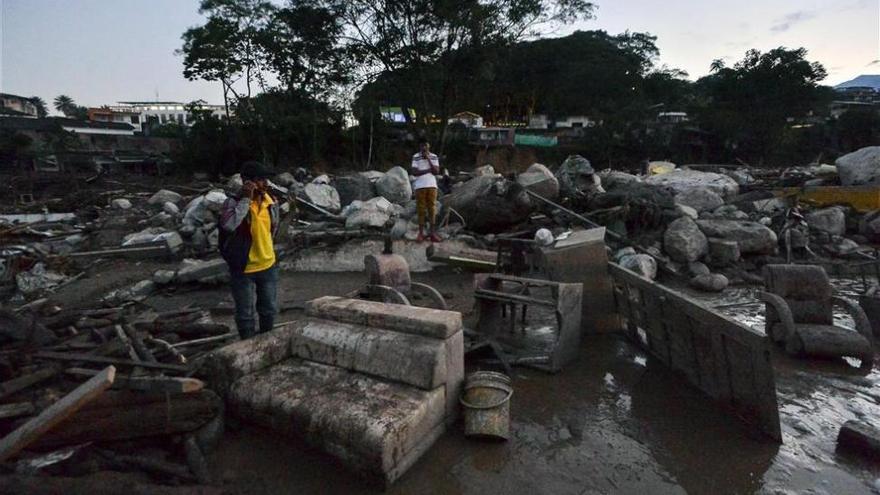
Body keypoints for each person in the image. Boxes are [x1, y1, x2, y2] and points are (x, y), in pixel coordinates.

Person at [219, 161, 280, 339]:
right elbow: (229, 225)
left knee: (268, 309)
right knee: (245, 314)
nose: (265, 184)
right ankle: (247, 346)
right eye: (260, 180)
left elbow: (273, 229)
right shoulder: (232, 203)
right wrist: (246, 199)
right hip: (243, 268)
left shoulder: (271, 202)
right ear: (247, 182)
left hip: (268, 265)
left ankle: (266, 342)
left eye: (266, 179)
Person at [411, 138, 441, 242]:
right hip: (420, 186)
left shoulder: (434, 156)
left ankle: (432, 233)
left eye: (426, 146)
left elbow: (436, 171)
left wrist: (428, 159)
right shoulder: (415, 157)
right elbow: (414, 172)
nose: (424, 148)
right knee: (421, 209)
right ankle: (421, 233)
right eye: (422, 146)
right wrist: (429, 170)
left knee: (432, 208)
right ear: (420, 147)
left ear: (429, 147)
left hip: (432, 185)